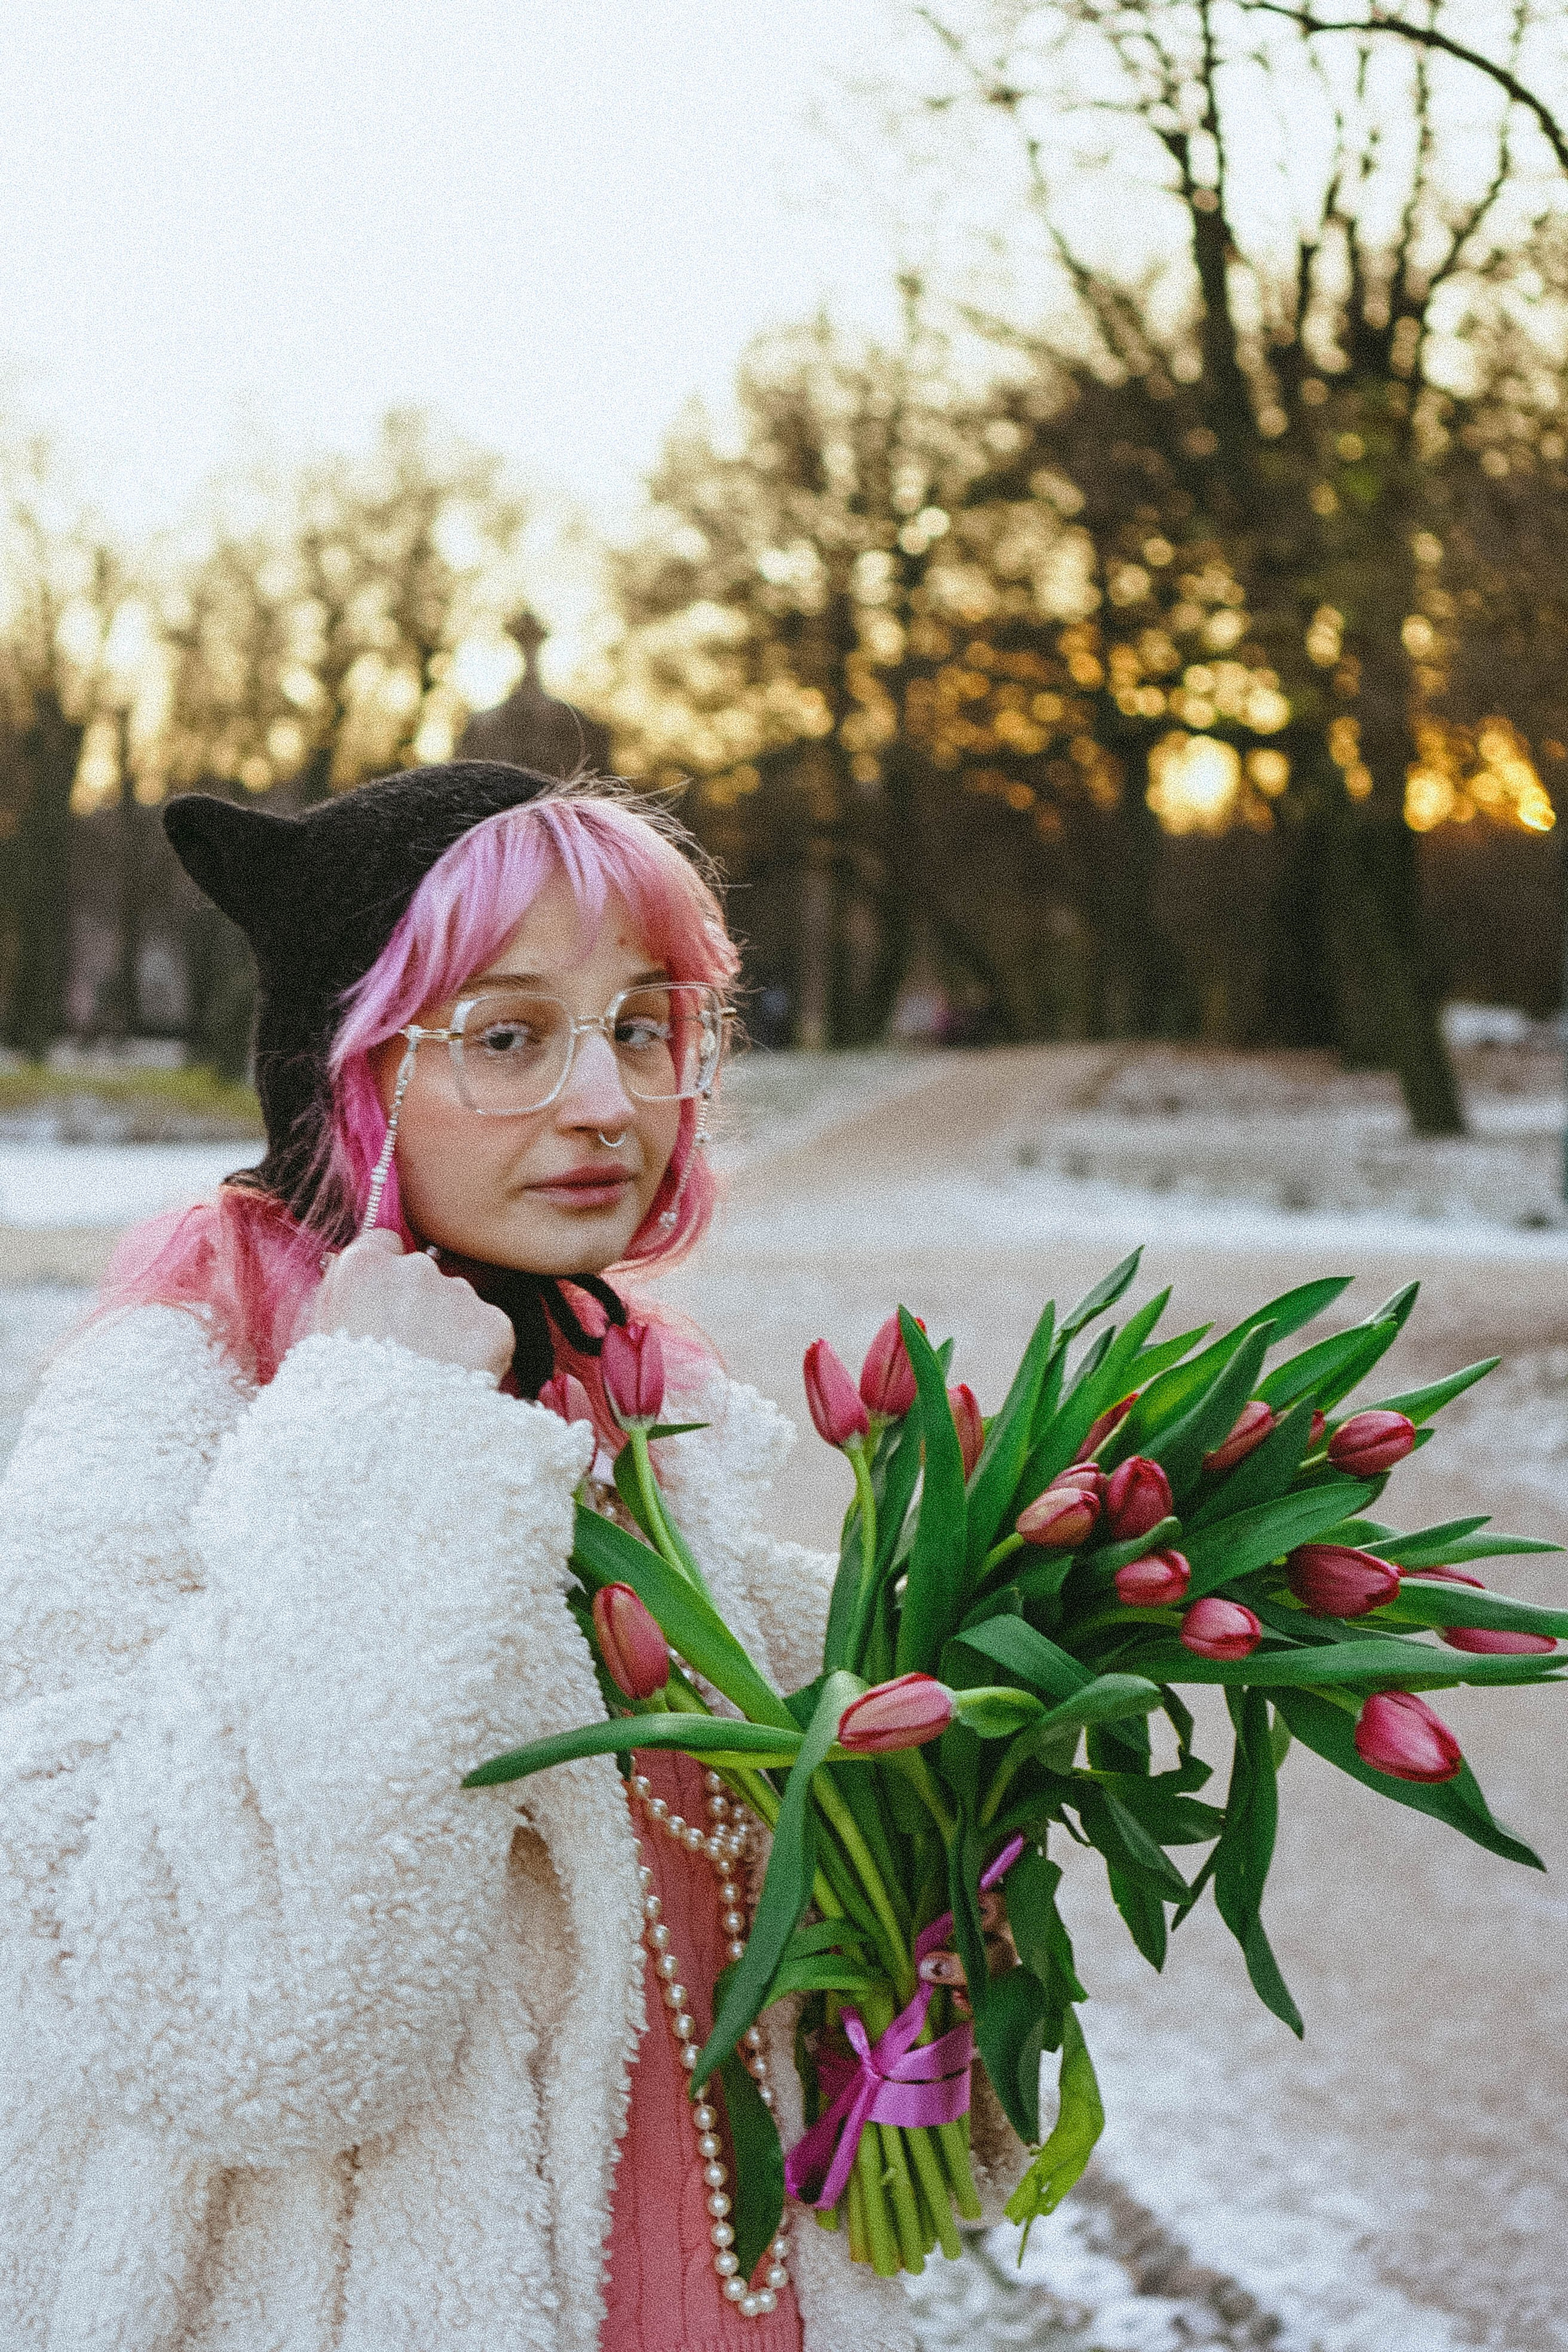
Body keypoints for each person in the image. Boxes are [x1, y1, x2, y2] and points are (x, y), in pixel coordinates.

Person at [0, 765, 1022, 2352]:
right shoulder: (167, 1418)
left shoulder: (640, 1423)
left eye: (640, 1025)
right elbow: (231, 2019)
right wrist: (385, 1433)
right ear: (340, 1071)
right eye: (508, 1035)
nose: (608, 1099)